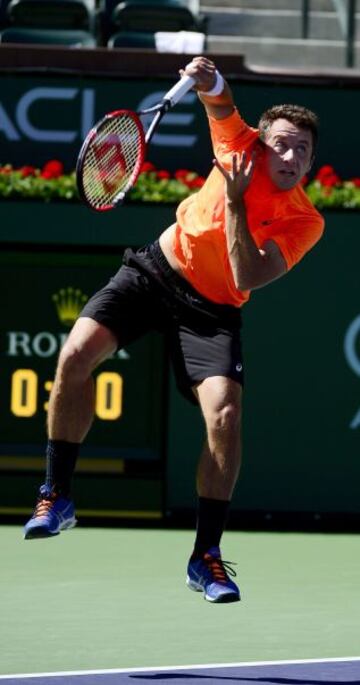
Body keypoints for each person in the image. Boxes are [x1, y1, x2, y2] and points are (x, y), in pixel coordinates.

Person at [24, 56, 324, 604]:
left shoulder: (305, 219)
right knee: (74, 355)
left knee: (225, 415)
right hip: (154, 273)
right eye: (281, 142)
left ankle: (205, 557)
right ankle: (56, 493)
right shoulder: (237, 140)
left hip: (211, 312)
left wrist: (235, 201)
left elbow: (246, 274)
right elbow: (219, 98)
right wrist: (206, 75)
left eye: (303, 149)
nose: (291, 155)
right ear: (261, 141)